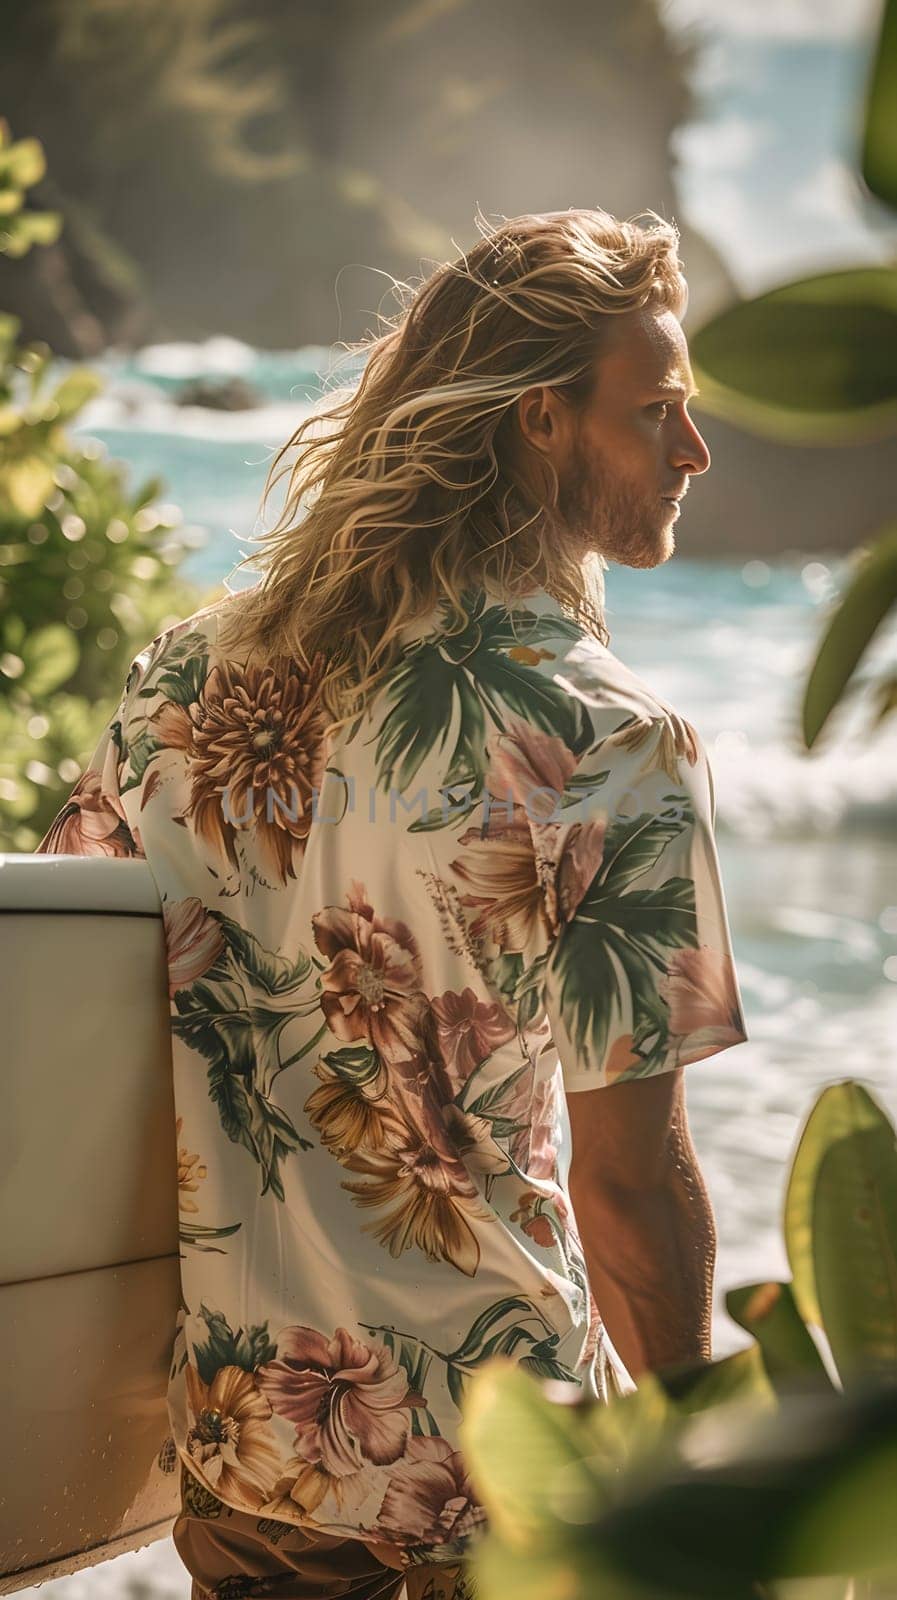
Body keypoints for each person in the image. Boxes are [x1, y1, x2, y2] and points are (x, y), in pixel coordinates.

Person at [36, 206, 749, 1600]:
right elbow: (626, 1189)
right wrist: (704, 1521)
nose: (693, 452)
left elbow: (73, 1009)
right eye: (655, 409)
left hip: (254, 1458)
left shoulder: (182, 682)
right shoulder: (609, 744)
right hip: (500, 1485)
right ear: (539, 419)